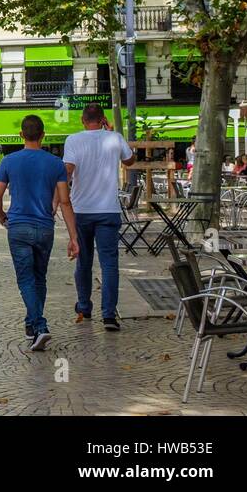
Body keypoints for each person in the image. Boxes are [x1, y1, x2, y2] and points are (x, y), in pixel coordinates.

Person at [0, 115, 79, 351]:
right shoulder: (55, 164)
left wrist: (2, 217)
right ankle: (31, 325)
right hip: (44, 228)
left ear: (21, 135)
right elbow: (65, 201)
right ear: (43, 135)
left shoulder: (9, 161)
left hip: (18, 227)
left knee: (26, 279)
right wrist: (73, 237)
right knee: (39, 278)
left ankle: (40, 326)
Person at [62, 103, 136, 332]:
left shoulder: (73, 140)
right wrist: (111, 131)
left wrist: (60, 199)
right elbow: (130, 161)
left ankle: (84, 306)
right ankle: (109, 315)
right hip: (108, 210)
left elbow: (67, 171)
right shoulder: (114, 138)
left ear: (83, 120)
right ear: (102, 119)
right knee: (109, 264)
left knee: (83, 261)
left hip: (82, 210)